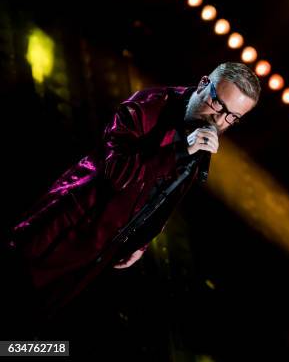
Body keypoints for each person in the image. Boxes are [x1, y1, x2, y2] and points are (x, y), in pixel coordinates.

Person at [5, 61, 260, 312]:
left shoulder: (203, 133)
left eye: (232, 117)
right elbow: (116, 172)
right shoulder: (149, 106)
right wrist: (179, 150)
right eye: (218, 104)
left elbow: (168, 194)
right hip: (67, 225)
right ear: (204, 83)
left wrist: (141, 242)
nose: (219, 120)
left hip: (102, 248)